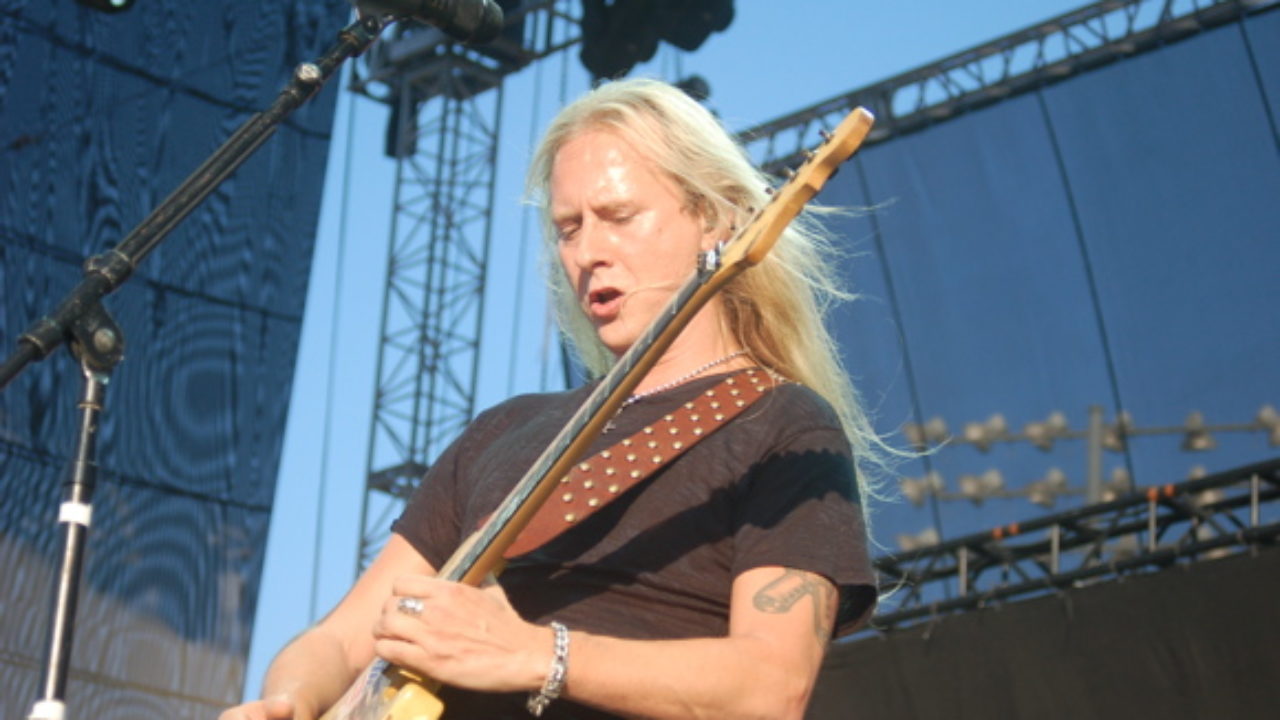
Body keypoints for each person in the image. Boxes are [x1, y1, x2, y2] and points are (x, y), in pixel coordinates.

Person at [222, 77, 884, 720]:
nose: (588, 252)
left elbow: (770, 690)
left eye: (619, 216)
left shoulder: (784, 425)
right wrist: (290, 700)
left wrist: (537, 654)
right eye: (568, 228)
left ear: (713, 217)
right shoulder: (504, 431)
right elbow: (341, 640)